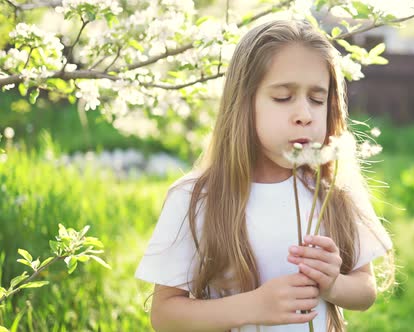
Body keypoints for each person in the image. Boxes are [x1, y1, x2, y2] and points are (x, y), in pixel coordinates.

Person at [135, 19, 394, 332]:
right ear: (243, 103)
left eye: (317, 98)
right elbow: (165, 316)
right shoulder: (196, 197)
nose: (304, 114)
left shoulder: (335, 192)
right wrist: (253, 307)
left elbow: (365, 290)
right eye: (283, 97)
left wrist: (333, 284)